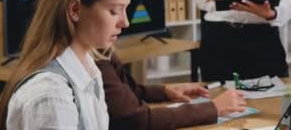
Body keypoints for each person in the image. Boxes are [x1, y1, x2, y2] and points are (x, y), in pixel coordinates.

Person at [0, 0, 136, 130]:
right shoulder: (51, 95)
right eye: (114, 11)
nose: (125, 22)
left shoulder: (88, 67)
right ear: (75, 10)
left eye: (125, 9)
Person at [95, 52, 246, 130]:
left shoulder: (102, 52)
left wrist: (164, 91)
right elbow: (139, 120)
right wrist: (212, 108)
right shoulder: (96, 61)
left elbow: (126, 92)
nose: (125, 22)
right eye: (114, 11)